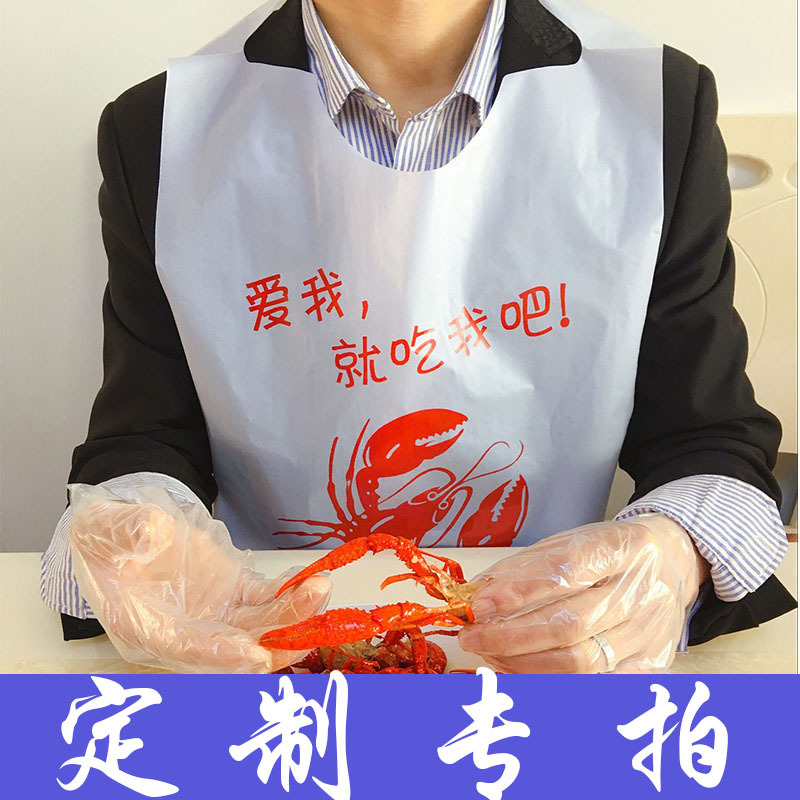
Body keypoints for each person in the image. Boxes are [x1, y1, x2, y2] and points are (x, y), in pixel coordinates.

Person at [41, 0, 796, 673]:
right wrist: (126, 536)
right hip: (272, 655)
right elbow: (146, 442)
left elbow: (709, 441)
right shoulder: (159, 132)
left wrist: (678, 550)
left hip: (546, 659)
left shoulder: (656, 105)